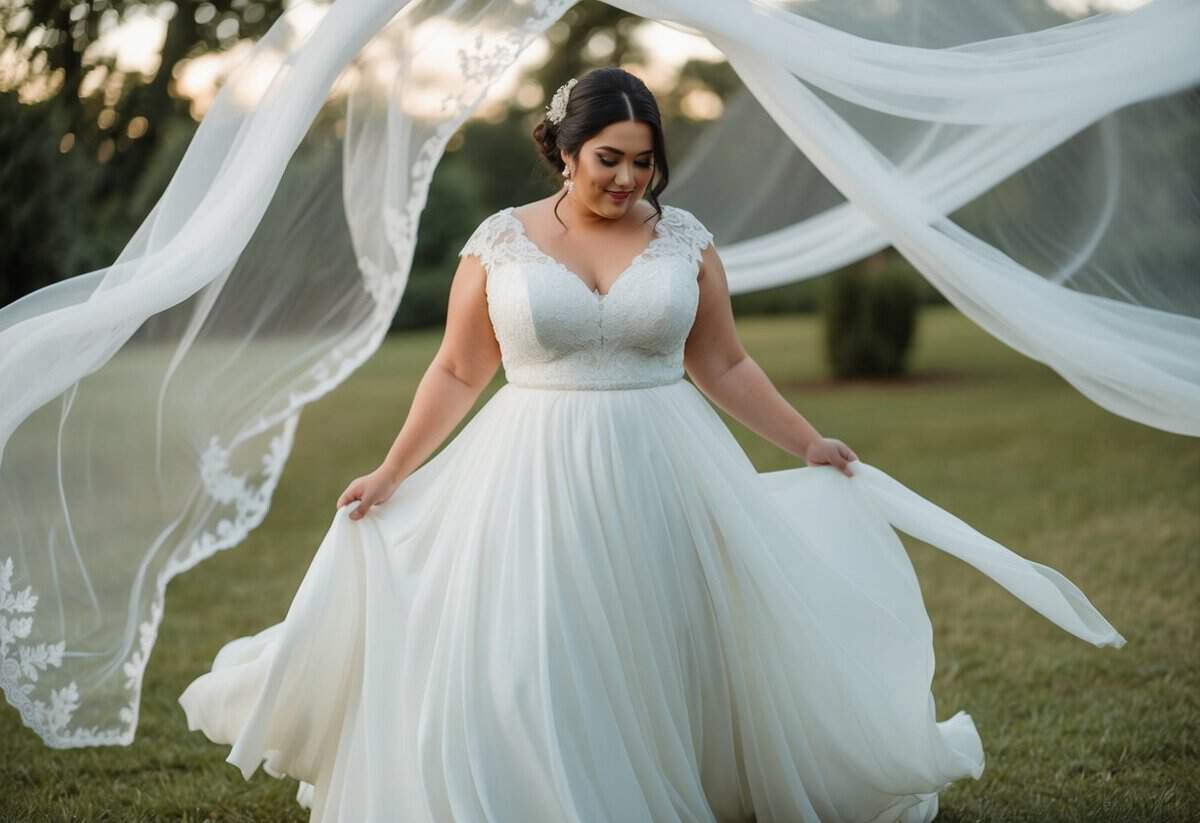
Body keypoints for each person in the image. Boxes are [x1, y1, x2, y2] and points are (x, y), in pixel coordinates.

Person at [178, 67, 1123, 823]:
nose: (628, 178)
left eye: (643, 159)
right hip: (530, 466)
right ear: (564, 150)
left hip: (664, 459)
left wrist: (807, 442)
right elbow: (461, 371)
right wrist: (391, 470)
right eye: (608, 158)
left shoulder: (686, 243)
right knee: (540, 641)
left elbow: (725, 364)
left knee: (666, 638)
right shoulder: (498, 244)